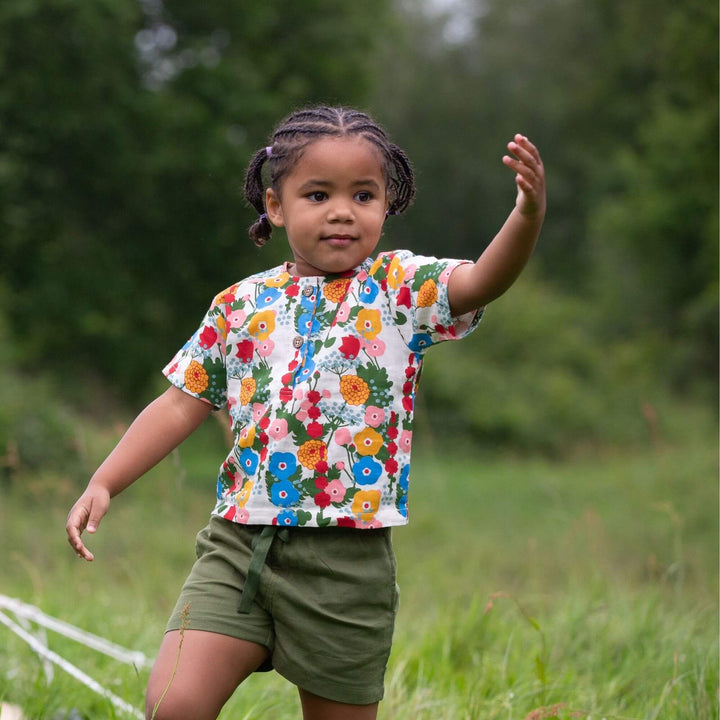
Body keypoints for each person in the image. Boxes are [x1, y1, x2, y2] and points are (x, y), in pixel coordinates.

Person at [66, 105, 545, 720]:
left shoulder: (401, 288)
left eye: (363, 194)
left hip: (345, 565)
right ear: (275, 205)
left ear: (385, 205)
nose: (342, 210)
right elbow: (180, 403)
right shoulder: (240, 305)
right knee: (173, 705)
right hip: (238, 543)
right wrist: (105, 481)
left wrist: (526, 216)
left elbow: (481, 281)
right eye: (318, 194)